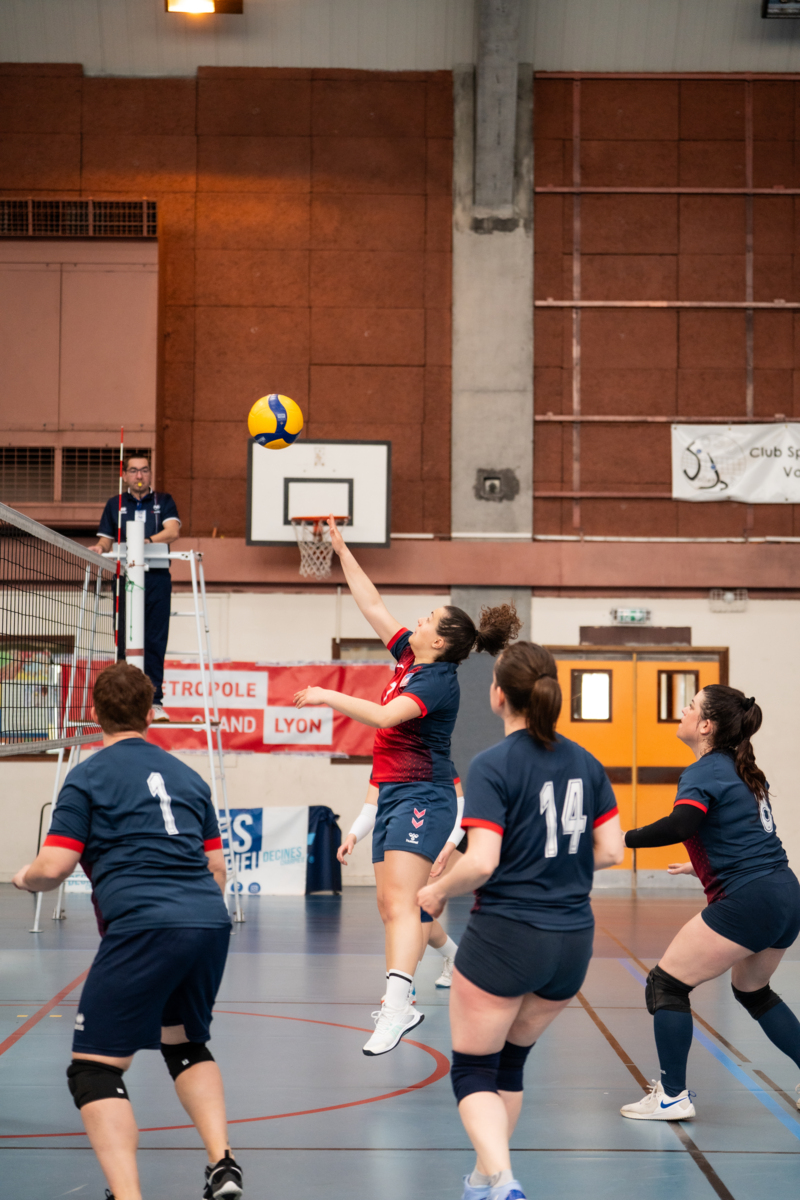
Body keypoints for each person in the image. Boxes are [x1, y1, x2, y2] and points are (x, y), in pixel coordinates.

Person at [12, 661, 242, 1200]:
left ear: (94, 713)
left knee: (93, 1069)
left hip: (144, 923)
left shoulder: (86, 776)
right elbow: (216, 868)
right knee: (184, 1043)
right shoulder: (189, 778)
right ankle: (223, 1165)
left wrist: (23, 877)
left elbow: (55, 866)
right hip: (208, 921)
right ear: (149, 715)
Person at [295, 516, 519, 1056]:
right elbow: (372, 603)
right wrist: (342, 550)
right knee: (391, 905)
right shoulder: (409, 658)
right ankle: (422, 984)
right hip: (394, 792)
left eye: (428, 618)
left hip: (425, 796)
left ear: (439, 640)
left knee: (402, 905)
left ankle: (398, 1007)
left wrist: (326, 695)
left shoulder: (436, 681)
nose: (417, 620)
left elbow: (383, 717)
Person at [418, 642, 624, 1200]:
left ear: (498, 695)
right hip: (572, 942)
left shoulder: (493, 764)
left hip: (507, 937)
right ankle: (485, 1179)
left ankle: (504, 1179)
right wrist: (556, 866)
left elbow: (482, 862)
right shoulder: (586, 762)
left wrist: (436, 890)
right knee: (508, 1065)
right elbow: (611, 850)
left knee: (472, 1071)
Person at [620, 684, 800, 1123]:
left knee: (666, 984)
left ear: (705, 726)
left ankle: (672, 1097)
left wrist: (622, 839)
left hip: (751, 899)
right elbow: (742, 833)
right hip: (785, 894)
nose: (682, 710)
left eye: (691, 706)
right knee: (752, 990)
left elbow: (682, 824)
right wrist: (699, 864)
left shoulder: (705, 770)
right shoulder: (740, 768)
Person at [338, 779, 464, 993]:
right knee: (396, 908)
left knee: (418, 907)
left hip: (445, 832)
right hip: (400, 828)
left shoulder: (434, 761)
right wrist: (353, 836)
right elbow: (371, 808)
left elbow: (461, 810)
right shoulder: (383, 764)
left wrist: (450, 846)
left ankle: (404, 985)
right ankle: (454, 955)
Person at [89, 454, 181, 722]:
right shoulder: (114, 504)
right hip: (125, 577)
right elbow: (105, 540)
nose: (139, 476)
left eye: (144, 470)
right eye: (133, 470)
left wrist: (145, 541)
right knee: (123, 641)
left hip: (157, 578)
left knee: (154, 641)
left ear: (150, 474)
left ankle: (155, 701)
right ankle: (122, 702)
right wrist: (100, 548)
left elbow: (172, 531)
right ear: (124, 475)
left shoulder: (164, 501)